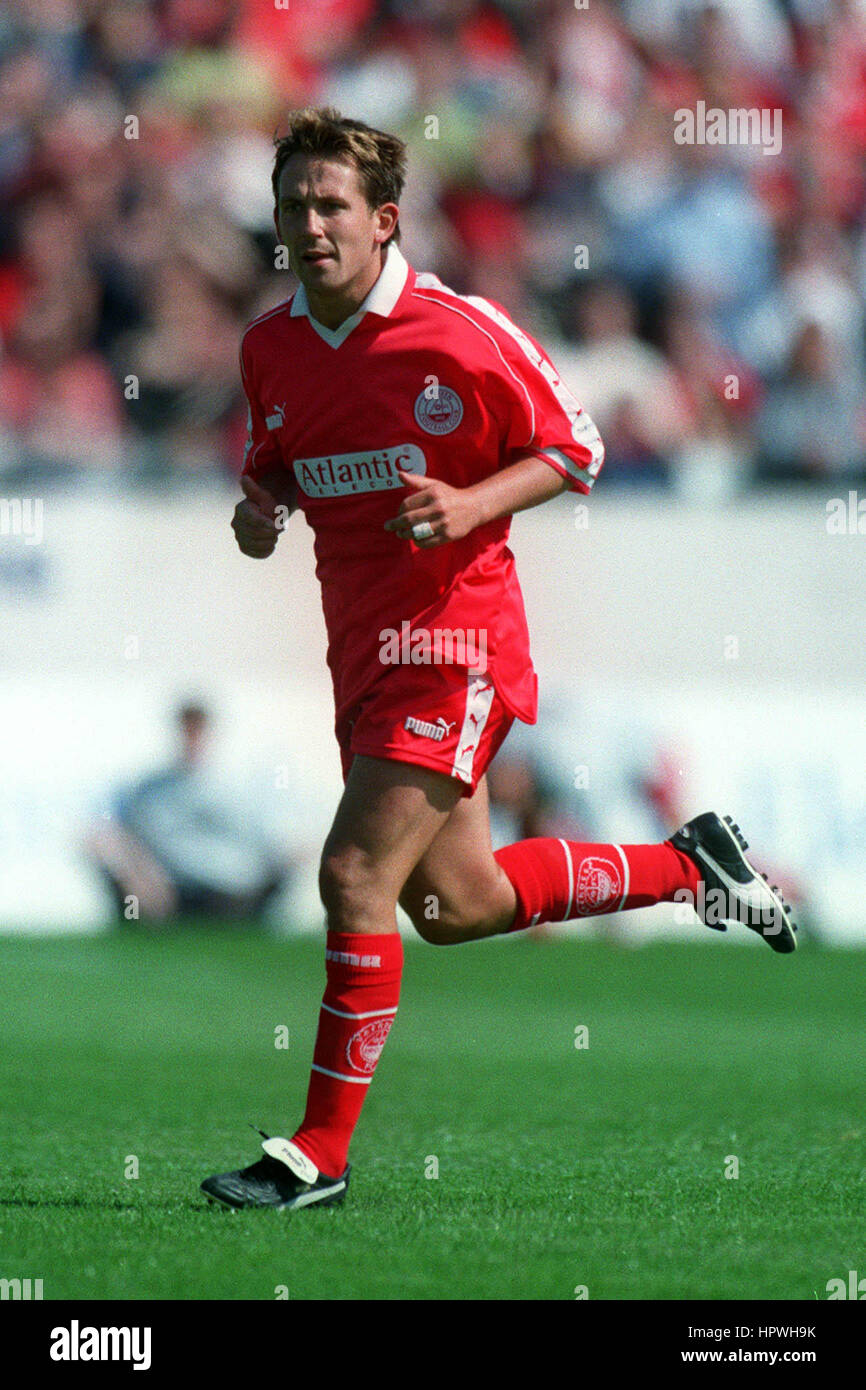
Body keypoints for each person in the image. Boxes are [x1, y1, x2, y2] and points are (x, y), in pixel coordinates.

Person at [201, 107, 796, 1214]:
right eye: (293, 206)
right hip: (362, 653)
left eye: (332, 206)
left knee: (351, 878)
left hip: (457, 643)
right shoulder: (268, 344)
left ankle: (316, 1154)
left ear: (383, 222)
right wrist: (258, 509)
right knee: (455, 903)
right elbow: (276, 463)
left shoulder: (457, 331)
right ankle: (692, 867)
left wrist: (472, 498)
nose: (310, 225)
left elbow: (578, 442)